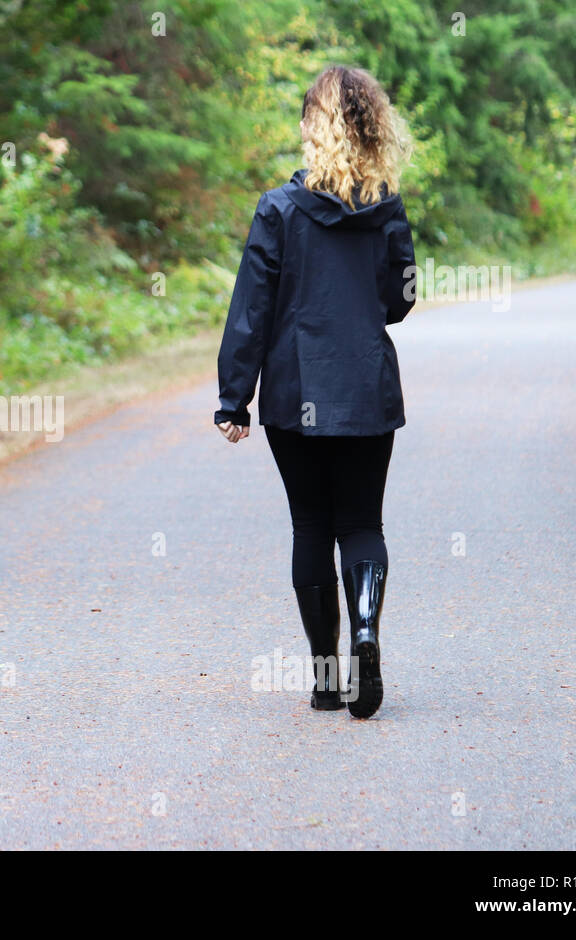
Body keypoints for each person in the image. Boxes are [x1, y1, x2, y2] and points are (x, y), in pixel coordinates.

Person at [214, 65, 416, 719]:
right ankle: (365, 631)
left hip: (295, 390)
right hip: (365, 389)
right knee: (362, 523)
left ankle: (328, 679)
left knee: (311, 526)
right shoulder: (387, 206)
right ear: (369, 130)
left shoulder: (277, 210)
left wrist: (232, 396)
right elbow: (400, 301)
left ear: (312, 128)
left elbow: (252, 308)